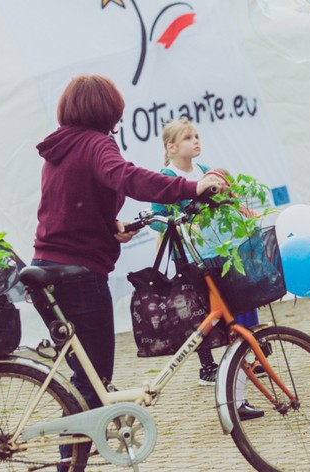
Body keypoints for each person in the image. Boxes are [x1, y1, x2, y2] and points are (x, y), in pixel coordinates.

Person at [30, 75, 224, 425]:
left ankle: (79, 446)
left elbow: (66, 206)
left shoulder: (60, 147)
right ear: (107, 109)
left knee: (85, 377)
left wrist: (109, 227)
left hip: (47, 264)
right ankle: (71, 451)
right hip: (79, 275)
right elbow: (128, 178)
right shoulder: (96, 143)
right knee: (95, 378)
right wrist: (190, 188)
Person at [149, 118, 261, 392]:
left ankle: (245, 353)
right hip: (187, 254)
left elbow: (225, 199)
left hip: (215, 249)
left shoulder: (206, 171)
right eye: (188, 138)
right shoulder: (167, 178)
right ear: (171, 147)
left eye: (196, 136)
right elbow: (156, 218)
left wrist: (238, 207)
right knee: (199, 309)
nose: (196, 141)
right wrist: (178, 223)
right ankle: (207, 367)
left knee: (230, 300)